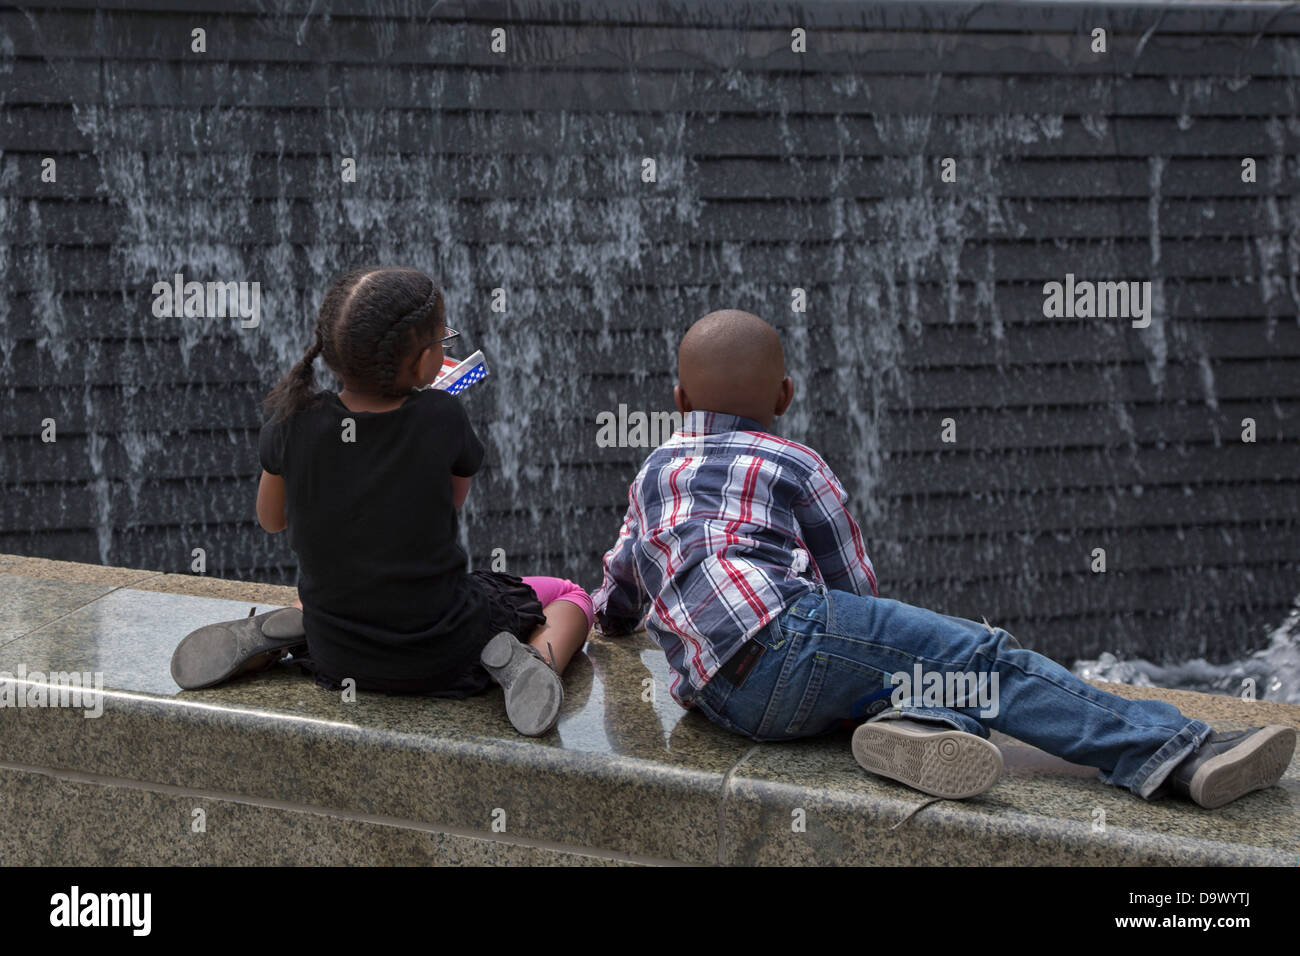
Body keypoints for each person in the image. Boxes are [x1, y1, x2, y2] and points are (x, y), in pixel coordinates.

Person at [590, 309, 1296, 807]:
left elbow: (623, 579)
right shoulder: (794, 463)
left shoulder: (655, 469)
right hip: (788, 640)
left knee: (893, 671)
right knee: (983, 661)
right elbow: (852, 589)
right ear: (784, 396)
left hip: (723, 699)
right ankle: (1174, 752)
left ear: (679, 399)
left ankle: (918, 728)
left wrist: (610, 624)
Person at [169, 266, 592, 737]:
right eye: (440, 342)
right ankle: (527, 661)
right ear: (417, 362)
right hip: (445, 649)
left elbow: (271, 520)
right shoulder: (441, 417)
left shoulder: (291, 422)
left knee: (344, 590)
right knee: (571, 595)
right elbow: (449, 502)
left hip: (340, 655)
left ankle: (289, 633)